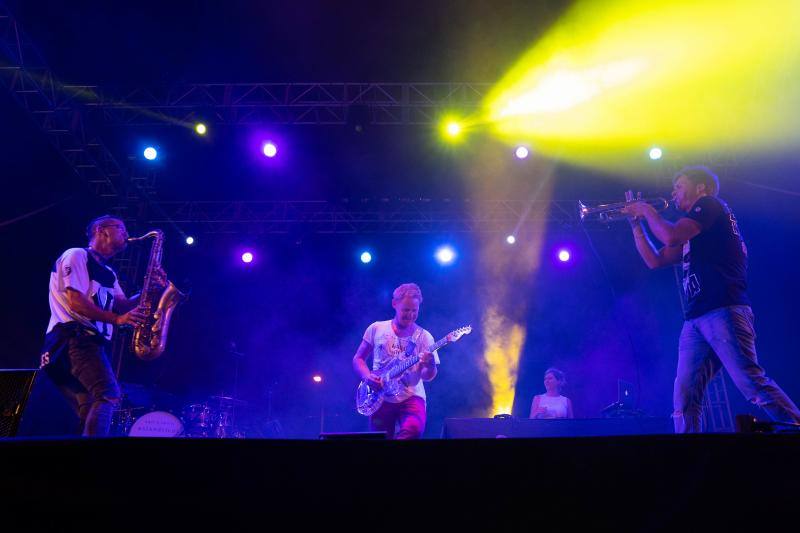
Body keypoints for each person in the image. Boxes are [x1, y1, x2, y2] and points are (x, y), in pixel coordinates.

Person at [623, 165, 800, 433]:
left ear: (701, 188)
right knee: (685, 397)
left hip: (723, 309)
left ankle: (794, 427)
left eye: (679, 186)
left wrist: (646, 210)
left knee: (751, 382)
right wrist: (637, 227)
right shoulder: (696, 232)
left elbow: (670, 234)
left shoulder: (710, 205)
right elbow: (655, 260)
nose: (674, 192)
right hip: (695, 318)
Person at [40, 215, 165, 436]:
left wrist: (150, 287)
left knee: (88, 407)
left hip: (87, 342)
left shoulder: (109, 272)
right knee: (108, 394)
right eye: (121, 228)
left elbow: (124, 304)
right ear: (101, 230)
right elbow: (76, 302)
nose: (126, 234)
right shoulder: (77, 255)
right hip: (74, 338)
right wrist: (117, 320)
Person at [352, 283, 439, 439]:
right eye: (406, 310)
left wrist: (430, 364)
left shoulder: (425, 337)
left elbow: (428, 376)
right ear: (394, 304)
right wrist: (367, 376)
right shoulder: (376, 328)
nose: (410, 315)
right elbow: (358, 359)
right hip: (380, 396)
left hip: (412, 396)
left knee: (412, 431)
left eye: (414, 311)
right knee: (379, 439)